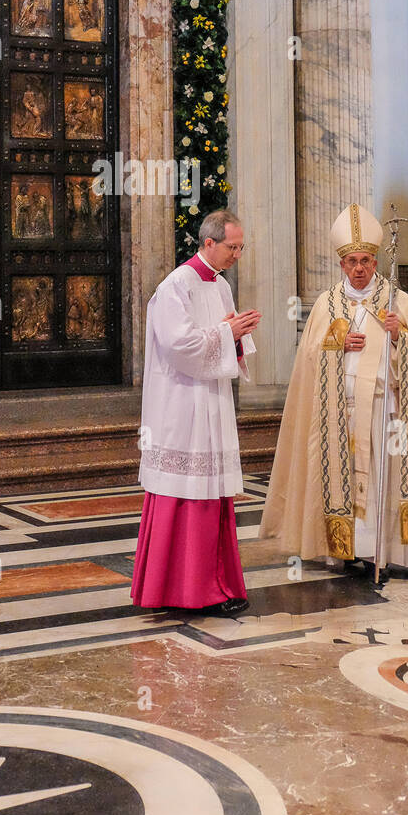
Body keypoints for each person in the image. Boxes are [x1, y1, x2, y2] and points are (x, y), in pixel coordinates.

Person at [260, 203, 408, 571]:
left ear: (375, 261)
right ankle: (344, 549)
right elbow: (307, 365)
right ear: (341, 265)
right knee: (342, 480)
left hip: (386, 409)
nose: (359, 269)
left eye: (366, 260)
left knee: (384, 484)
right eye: (351, 261)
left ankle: (382, 552)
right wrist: (335, 344)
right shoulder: (326, 304)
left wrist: (401, 337)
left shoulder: (397, 302)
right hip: (342, 414)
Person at [131, 209, 261, 616]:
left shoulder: (220, 285)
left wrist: (234, 333)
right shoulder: (175, 286)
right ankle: (184, 590)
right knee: (184, 493)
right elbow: (179, 347)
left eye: (241, 247)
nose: (237, 254)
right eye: (232, 247)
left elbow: (220, 338)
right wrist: (228, 333)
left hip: (211, 402)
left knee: (213, 494)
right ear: (209, 243)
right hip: (182, 405)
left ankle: (216, 584)